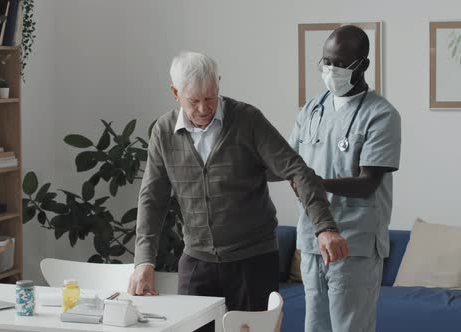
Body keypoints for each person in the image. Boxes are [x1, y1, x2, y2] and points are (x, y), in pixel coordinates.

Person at [128, 51, 349, 331]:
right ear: (175, 93)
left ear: (218, 84)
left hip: (253, 260)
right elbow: (152, 199)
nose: (203, 109)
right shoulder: (163, 131)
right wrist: (144, 261)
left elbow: (297, 169)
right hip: (197, 261)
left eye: (210, 98)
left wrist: (325, 227)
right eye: (193, 101)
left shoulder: (247, 120)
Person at [288, 25, 401, 332]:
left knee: (350, 328)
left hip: (355, 245)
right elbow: (290, 164)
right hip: (313, 241)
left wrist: (314, 183)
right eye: (326, 61)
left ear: (362, 65)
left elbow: (368, 182)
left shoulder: (381, 114)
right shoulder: (313, 109)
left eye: (340, 63)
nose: (331, 70)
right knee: (316, 327)